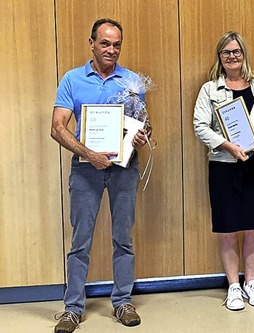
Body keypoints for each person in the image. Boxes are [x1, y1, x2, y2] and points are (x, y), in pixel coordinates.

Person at [50, 18, 150, 332]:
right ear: (92, 43)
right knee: (80, 242)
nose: (111, 50)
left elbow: (144, 125)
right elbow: (57, 127)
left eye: (116, 44)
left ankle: (122, 302)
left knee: (124, 239)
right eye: (105, 43)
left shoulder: (132, 81)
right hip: (85, 169)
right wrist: (88, 154)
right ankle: (72, 309)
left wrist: (141, 136)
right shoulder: (71, 79)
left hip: (124, 169)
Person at [193, 31, 254, 311]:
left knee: (253, 227)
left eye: (236, 51)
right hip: (224, 167)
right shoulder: (210, 90)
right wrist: (227, 146)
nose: (232, 57)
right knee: (228, 229)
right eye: (226, 52)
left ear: (244, 54)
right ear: (220, 57)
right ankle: (233, 286)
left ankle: (251, 282)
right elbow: (200, 126)